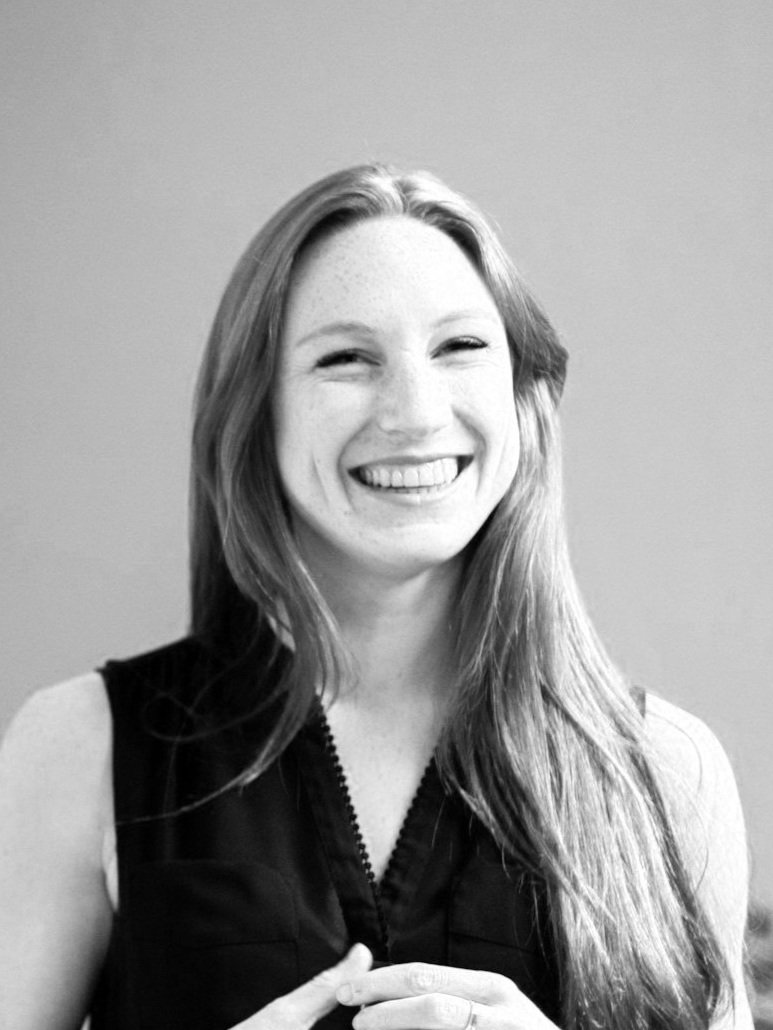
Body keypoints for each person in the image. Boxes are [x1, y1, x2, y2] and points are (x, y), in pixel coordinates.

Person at [0, 164, 752, 1030]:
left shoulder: (667, 771)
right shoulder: (77, 749)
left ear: (523, 397)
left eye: (460, 347)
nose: (415, 411)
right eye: (346, 358)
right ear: (255, 416)